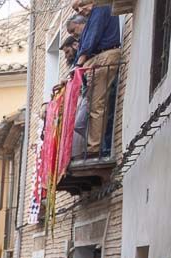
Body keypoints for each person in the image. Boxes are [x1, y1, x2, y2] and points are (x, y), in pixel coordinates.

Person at [74, 4, 121, 159]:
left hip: (103, 57)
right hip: (99, 58)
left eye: (80, 4)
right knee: (93, 105)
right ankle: (93, 145)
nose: (80, 10)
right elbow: (86, 42)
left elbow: (91, 39)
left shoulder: (100, 8)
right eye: (76, 9)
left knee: (97, 105)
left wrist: (79, 64)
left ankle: (94, 147)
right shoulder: (95, 13)